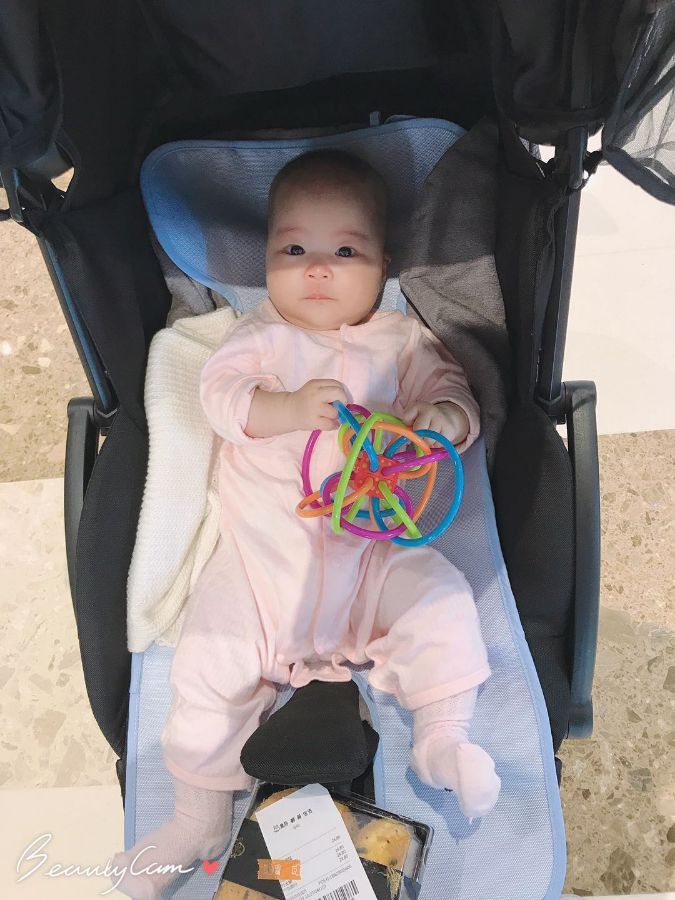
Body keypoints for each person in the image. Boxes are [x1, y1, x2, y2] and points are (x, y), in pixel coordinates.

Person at [110, 149, 501, 899]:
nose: (317, 268)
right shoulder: (258, 336)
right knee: (208, 657)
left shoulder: (401, 340)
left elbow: (457, 397)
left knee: (440, 598)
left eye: (345, 252)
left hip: (374, 556)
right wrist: (285, 407)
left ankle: (442, 736)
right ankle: (197, 817)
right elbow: (222, 398)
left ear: (384, 265)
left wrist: (442, 420)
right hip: (265, 563)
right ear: (265, 261)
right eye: (293, 250)